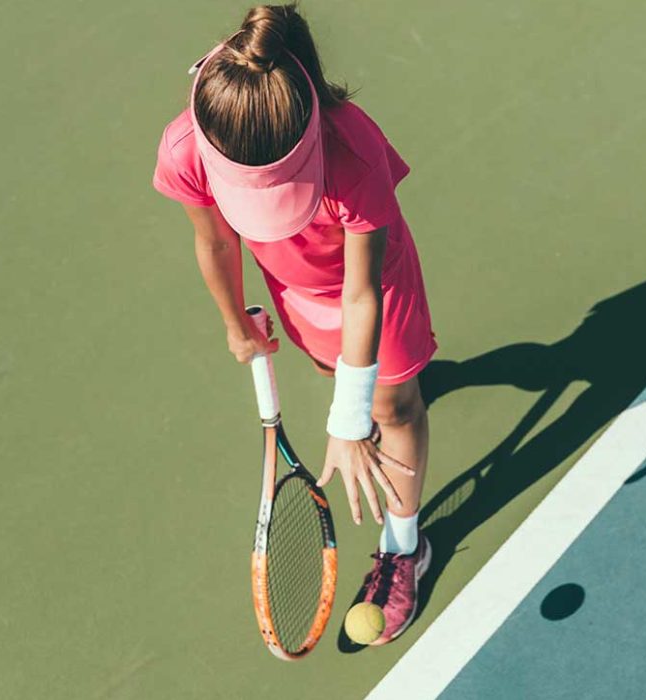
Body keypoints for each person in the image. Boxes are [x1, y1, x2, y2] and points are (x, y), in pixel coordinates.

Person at [151, 3, 435, 645]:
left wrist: (351, 416)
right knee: (339, 371)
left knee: (392, 407)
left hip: (371, 287)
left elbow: (364, 294)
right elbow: (219, 242)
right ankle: (384, 396)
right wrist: (233, 321)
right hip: (294, 290)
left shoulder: (352, 151)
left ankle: (405, 547)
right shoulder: (184, 149)